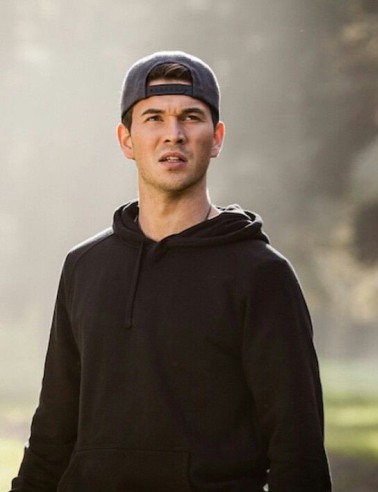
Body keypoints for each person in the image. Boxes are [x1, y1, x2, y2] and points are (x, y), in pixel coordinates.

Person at [11, 51, 332, 492]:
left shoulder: (261, 274)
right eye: (154, 118)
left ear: (216, 138)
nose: (173, 134)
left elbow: (298, 447)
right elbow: (53, 430)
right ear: (126, 140)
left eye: (191, 117)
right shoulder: (84, 267)